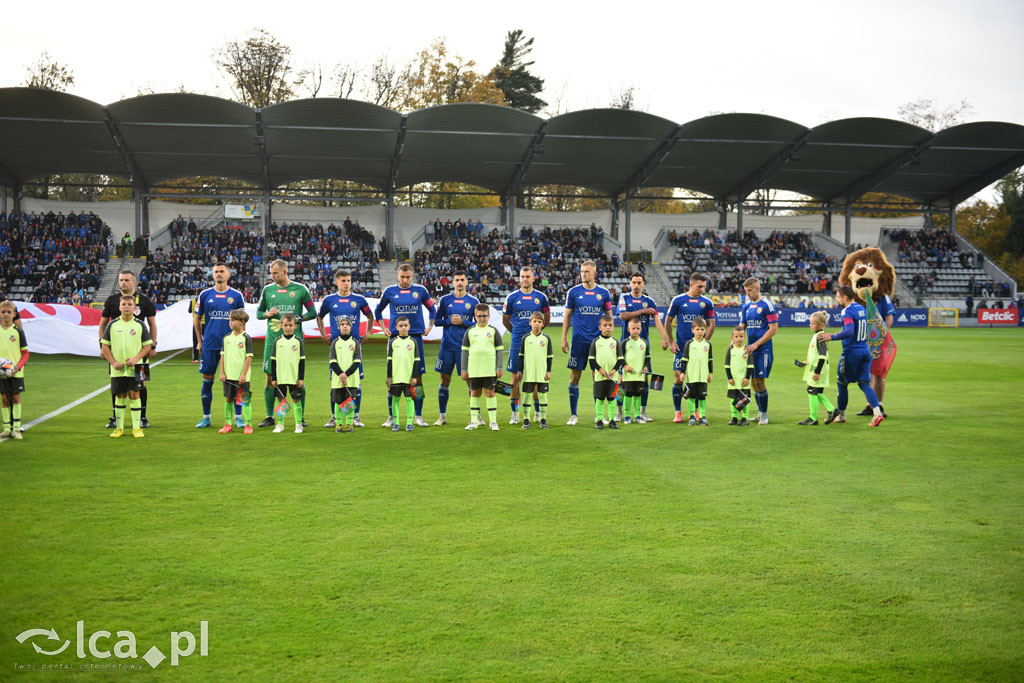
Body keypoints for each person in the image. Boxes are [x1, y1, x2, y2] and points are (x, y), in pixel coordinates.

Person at [256, 260, 316, 428]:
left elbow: (312, 312)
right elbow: (258, 313)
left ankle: (300, 417)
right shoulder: (268, 290)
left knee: (298, 380)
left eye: (275, 273)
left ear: (284, 271)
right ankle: (270, 417)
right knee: (270, 379)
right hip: (273, 342)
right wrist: (267, 314)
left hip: (294, 344)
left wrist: (300, 318)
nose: (272, 276)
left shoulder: (300, 289)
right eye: (271, 273)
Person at [375, 264, 436, 428]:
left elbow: (432, 309)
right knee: (393, 376)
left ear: (412, 276)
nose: (404, 280)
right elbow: (378, 310)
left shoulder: (421, 291)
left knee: (418, 377)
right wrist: (383, 327)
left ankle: (418, 416)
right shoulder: (389, 291)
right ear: (397, 276)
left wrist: (430, 326)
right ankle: (391, 416)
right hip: (395, 338)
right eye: (402, 277)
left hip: (415, 337)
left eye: (408, 277)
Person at [817, 286, 885, 427]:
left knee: (842, 383)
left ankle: (841, 415)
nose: (837, 299)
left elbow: (848, 331)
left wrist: (831, 336)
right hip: (865, 350)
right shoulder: (861, 308)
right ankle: (877, 413)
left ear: (845, 297)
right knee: (864, 384)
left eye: (838, 297)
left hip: (851, 353)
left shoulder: (847, 311)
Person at [99, 270, 157, 429]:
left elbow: (152, 324)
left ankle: (143, 417)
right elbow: (103, 324)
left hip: (140, 353)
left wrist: (153, 346)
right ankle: (115, 418)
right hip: (117, 353)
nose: (123, 283)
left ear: (134, 282)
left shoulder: (144, 301)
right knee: (117, 384)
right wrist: (102, 347)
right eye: (121, 280)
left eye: (126, 280)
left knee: (141, 384)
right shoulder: (111, 301)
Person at [318, 270, 373, 428]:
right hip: (336, 346)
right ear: (337, 282)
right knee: (335, 382)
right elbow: (319, 316)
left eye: (348, 280)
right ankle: (335, 417)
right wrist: (323, 335)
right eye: (343, 280)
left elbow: (370, 316)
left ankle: (355, 416)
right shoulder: (329, 300)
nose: (346, 283)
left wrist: (368, 332)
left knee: (355, 382)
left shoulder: (358, 299)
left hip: (354, 346)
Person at [194, 262, 246, 428]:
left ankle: (238, 417)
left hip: (231, 345)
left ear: (228, 275)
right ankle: (206, 417)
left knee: (235, 381)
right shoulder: (204, 295)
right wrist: (200, 341)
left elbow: (243, 321)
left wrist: (241, 340)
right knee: (207, 380)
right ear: (213, 274)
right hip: (210, 343)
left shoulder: (237, 296)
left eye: (222, 271)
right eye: (216, 271)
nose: (218, 274)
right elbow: (196, 319)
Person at [561, 261, 613, 426]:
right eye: (582, 271)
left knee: (597, 376)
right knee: (575, 376)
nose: (583, 274)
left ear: (594, 273)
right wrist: (564, 338)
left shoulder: (603, 293)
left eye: (587, 272)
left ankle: (599, 415)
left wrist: (609, 340)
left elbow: (609, 317)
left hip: (597, 343)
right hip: (578, 341)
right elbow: (567, 316)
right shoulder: (573, 292)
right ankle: (573, 415)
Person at [616, 272, 668, 423]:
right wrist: (642, 311)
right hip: (626, 346)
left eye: (639, 282)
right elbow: (623, 316)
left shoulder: (649, 301)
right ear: (630, 284)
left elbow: (657, 320)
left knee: (645, 378)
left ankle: (643, 411)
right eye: (634, 282)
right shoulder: (624, 297)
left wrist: (664, 338)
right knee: (620, 379)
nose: (636, 285)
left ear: (643, 284)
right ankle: (618, 412)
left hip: (643, 347)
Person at [664, 273, 715, 423]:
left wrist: (704, 342)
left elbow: (712, 323)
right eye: (700, 286)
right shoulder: (678, 300)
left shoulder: (707, 303)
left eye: (704, 287)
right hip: (681, 348)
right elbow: (668, 321)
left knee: (698, 380)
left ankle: (696, 412)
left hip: (698, 350)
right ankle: (678, 412)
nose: (702, 289)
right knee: (678, 379)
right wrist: (671, 341)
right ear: (691, 285)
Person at [503, 266, 551, 424]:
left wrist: (536, 335)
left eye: (527, 276)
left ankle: (537, 412)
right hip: (517, 342)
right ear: (519, 278)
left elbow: (546, 319)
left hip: (536, 344)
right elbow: (505, 320)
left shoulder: (541, 297)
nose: (524, 279)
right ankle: (515, 414)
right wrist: (516, 332)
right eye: (522, 276)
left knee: (535, 378)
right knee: (515, 378)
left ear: (533, 278)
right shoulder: (511, 297)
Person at [433, 271, 479, 426]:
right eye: (457, 280)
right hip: (446, 347)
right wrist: (449, 321)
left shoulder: (473, 301)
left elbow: (479, 323)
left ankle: (476, 416)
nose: (459, 283)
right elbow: (437, 321)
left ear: (467, 283)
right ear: (452, 283)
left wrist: (463, 323)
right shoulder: (445, 300)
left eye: (462, 280)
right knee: (444, 380)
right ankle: (442, 416)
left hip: (465, 347)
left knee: (469, 381)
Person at [740, 277, 778, 425]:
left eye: (750, 291)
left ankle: (765, 415)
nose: (748, 294)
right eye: (746, 291)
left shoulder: (767, 305)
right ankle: (760, 412)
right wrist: (734, 342)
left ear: (757, 288)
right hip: (751, 349)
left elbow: (773, 329)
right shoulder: (746, 306)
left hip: (763, 350)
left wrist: (756, 344)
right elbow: (742, 325)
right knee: (753, 383)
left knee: (759, 381)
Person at [461, 304, 504, 431]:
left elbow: (500, 350)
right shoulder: (470, 331)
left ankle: (493, 422)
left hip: (489, 368)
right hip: (474, 368)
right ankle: (474, 421)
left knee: (490, 393)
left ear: (489, 316)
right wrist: (464, 369)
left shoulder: (494, 331)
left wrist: (499, 367)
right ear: (475, 316)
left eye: (484, 316)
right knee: (475, 393)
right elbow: (464, 351)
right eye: (479, 316)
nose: (482, 318)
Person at [794, 310, 836, 426]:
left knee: (811, 391)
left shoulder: (820, 337)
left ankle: (816, 416)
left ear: (820, 325)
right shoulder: (817, 336)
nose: (810, 325)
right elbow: (817, 355)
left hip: (819, 370)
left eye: (812, 323)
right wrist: (808, 361)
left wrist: (817, 372)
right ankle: (831, 410)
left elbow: (822, 357)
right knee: (816, 392)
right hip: (817, 368)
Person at [857, 293, 895, 419]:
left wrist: (879, 337)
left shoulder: (883, 297)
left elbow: (889, 319)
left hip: (879, 341)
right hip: (864, 342)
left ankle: (879, 405)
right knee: (868, 373)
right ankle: (870, 405)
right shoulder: (859, 298)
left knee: (878, 373)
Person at [218, 309, 254, 434]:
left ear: (242, 322)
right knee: (228, 399)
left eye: (233, 320)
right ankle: (228, 424)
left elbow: (249, 357)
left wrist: (244, 374)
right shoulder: (226, 338)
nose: (230, 322)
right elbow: (222, 356)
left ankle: (248, 425)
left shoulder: (246, 338)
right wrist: (222, 372)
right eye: (230, 320)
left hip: (242, 377)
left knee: (244, 401)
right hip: (228, 376)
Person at [270, 313, 306, 434]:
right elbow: (273, 361)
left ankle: (298, 424)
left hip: (294, 377)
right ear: (281, 326)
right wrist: (274, 377)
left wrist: (301, 378)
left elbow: (302, 361)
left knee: (296, 400)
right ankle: (280, 424)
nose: (288, 327)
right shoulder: (277, 341)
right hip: (280, 377)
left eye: (290, 325)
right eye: (285, 325)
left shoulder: (298, 341)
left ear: (295, 326)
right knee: (281, 400)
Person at [517, 312, 553, 430]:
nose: (536, 324)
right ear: (530, 322)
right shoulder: (526, 338)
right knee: (527, 395)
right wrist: (520, 371)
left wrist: (548, 371)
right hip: (529, 373)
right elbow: (521, 356)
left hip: (542, 373)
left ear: (542, 324)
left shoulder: (546, 339)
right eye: (534, 321)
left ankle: (543, 419)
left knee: (542, 395)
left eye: (539, 322)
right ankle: (526, 420)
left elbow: (549, 357)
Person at [588, 314, 623, 429]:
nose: (608, 327)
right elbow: (591, 359)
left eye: (610, 325)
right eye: (605, 325)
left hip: (614, 376)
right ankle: (599, 420)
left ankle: (612, 420)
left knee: (613, 398)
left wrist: (615, 370)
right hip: (600, 376)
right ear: (600, 328)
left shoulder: (616, 342)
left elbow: (620, 359)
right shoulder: (596, 342)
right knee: (599, 398)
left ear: (613, 327)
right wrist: (600, 369)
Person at [386, 316, 421, 432]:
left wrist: (415, 376)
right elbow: (389, 360)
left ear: (409, 326)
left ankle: (409, 423)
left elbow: (417, 361)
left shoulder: (413, 342)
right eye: (401, 326)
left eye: (405, 325)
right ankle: (396, 423)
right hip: (396, 378)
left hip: (409, 378)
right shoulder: (393, 342)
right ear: (396, 328)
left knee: (410, 399)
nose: (403, 328)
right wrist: (389, 377)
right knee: (395, 399)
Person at [0, 301, 29, 439]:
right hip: (1, 373)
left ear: (14, 314)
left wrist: (18, 366)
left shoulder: (18, 332)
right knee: (4, 398)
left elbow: (26, 353)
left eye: (8, 312)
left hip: (16, 372)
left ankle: (16, 428)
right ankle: (6, 428)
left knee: (16, 397)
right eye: (3, 312)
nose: (6, 315)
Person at [329, 317, 362, 434]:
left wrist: (346, 374)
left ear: (350, 327)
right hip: (338, 379)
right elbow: (332, 361)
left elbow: (357, 361)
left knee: (349, 402)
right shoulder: (335, 342)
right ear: (339, 327)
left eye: (347, 324)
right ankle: (338, 424)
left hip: (351, 379)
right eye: (342, 324)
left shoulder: (355, 342)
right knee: (338, 402)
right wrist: (341, 375)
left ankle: (348, 424)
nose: (344, 326)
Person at [679, 317, 713, 426]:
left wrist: (710, 373)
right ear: (692, 330)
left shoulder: (708, 344)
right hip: (691, 376)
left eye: (702, 329)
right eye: (697, 329)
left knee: (702, 397)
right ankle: (692, 416)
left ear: (705, 330)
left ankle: (702, 416)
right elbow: (684, 360)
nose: (700, 332)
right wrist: (682, 373)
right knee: (691, 397)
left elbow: (710, 360)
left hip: (703, 375)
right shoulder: (689, 344)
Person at [620, 318, 651, 426]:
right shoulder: (625, 342)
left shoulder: (644, 343)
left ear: (641, 329)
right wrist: (625, 366)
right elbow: (620, 357)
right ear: (628, 329)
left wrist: (646, 367)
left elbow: (647, 358)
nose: (636, 330)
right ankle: (627, 416)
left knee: (638, 395)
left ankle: (637, 416)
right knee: (627, 395)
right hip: (628, 376)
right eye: (633, 328)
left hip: (639, 376)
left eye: (638, 328)